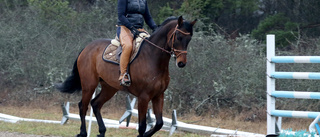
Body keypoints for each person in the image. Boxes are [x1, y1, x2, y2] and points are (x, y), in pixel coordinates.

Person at [117, 0, 157, 86]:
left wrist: (155, 28)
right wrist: (131, 27)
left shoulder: (143, 1)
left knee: (152, 45)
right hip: (125, 28)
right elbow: (121, 16)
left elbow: (148, 17)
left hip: (139, 29)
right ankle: (123, 75)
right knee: (128, 46)